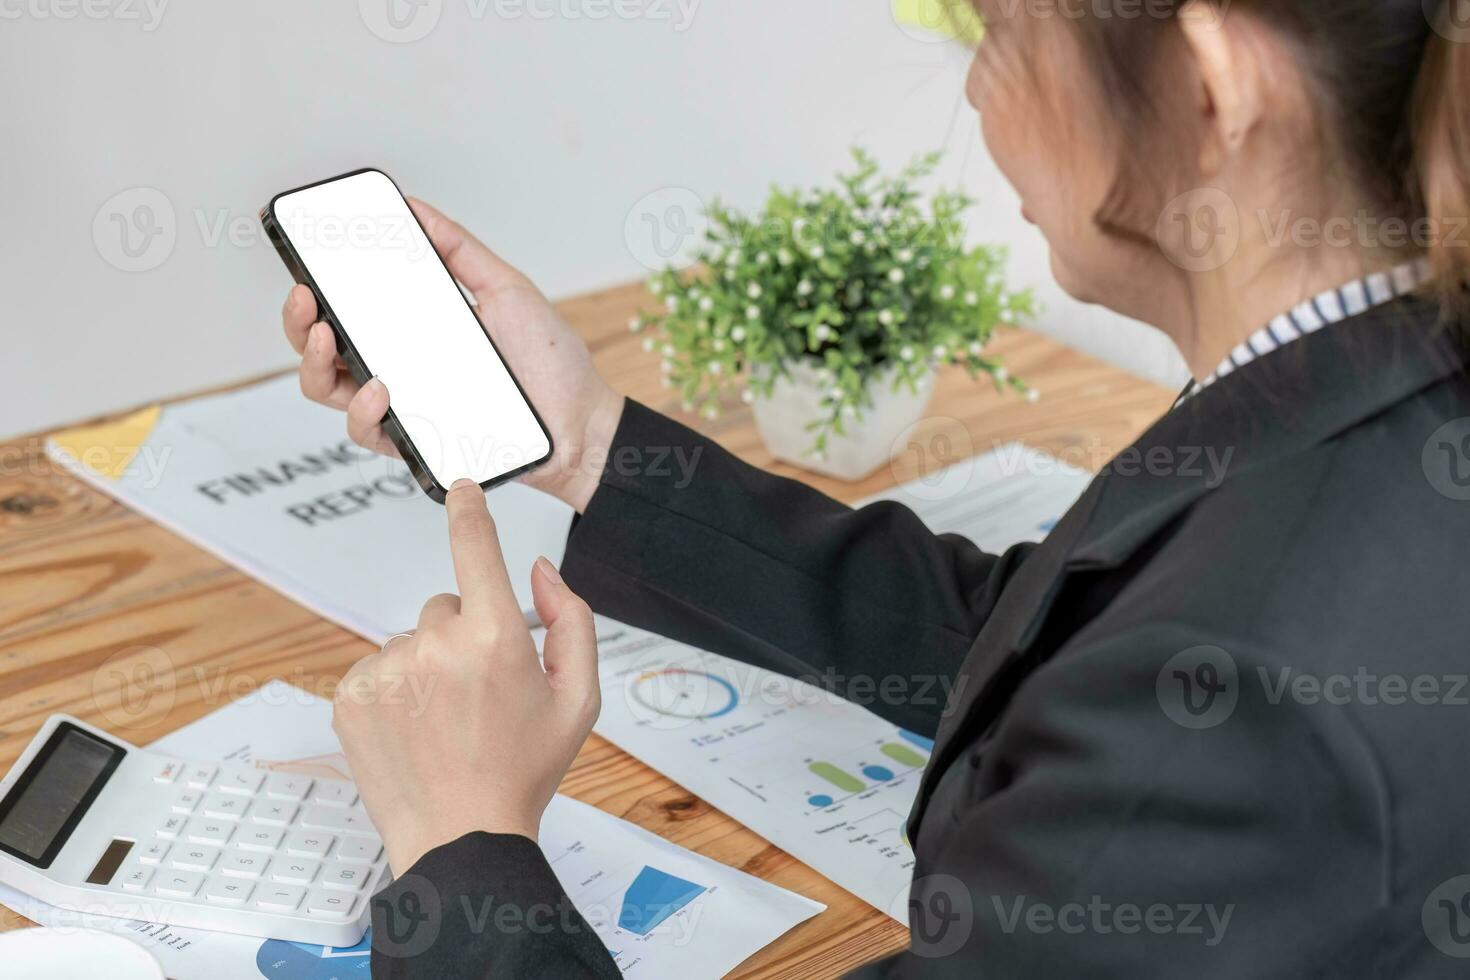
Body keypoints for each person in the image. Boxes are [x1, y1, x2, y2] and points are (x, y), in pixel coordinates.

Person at [281, 1, 1470, 975]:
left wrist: (461, 843)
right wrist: (589, 440)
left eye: (995, 28)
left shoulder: (1249, 723)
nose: (974, 92)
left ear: (1214, 84)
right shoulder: (1385, 391)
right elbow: (1057, 641)